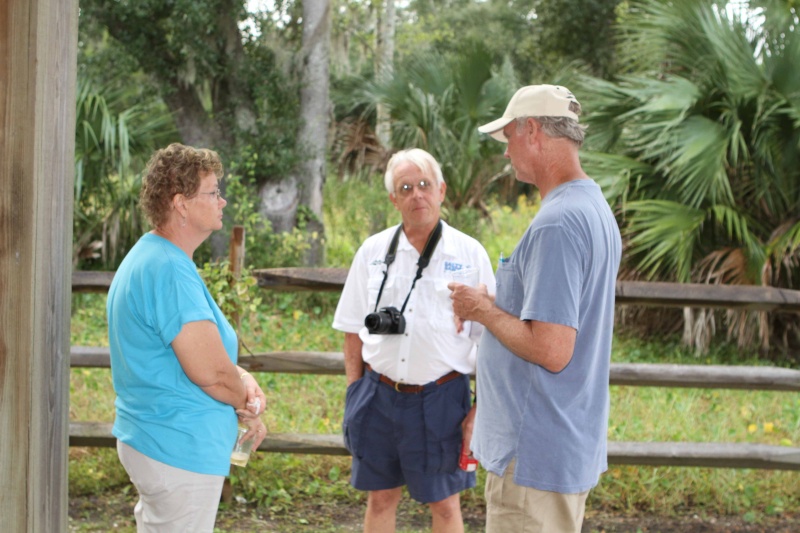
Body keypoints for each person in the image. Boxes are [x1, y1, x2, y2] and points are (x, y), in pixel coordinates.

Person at [449, 85, 622, 532]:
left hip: (533, 459)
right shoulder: (592, 208)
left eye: (507, 137)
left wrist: (483, 311)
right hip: (559, 447)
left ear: (532, 131)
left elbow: (552, 348)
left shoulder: (558, 222)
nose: (506, 152)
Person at [333, 148, 496, 533]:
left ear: (441, 190)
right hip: (378, 395)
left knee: (444, 504)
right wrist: (356, 391)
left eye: (424, 185)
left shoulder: (469, 253)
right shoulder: (373, 251)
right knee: (380, 498)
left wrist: (479, 409)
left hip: (442, 399)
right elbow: (351, 330)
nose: (416, 195)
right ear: (394, 199)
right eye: (405, 188)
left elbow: (493, 339)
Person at [106, 143, 268, 532]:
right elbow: (210, 373)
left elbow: (202, 357)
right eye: (212, 192)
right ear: (180, 203)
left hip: (159, 440)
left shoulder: (154, 258)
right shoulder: (168, 269)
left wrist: (243, 380)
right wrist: (249, 405)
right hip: (176, 447)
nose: (222, 201)